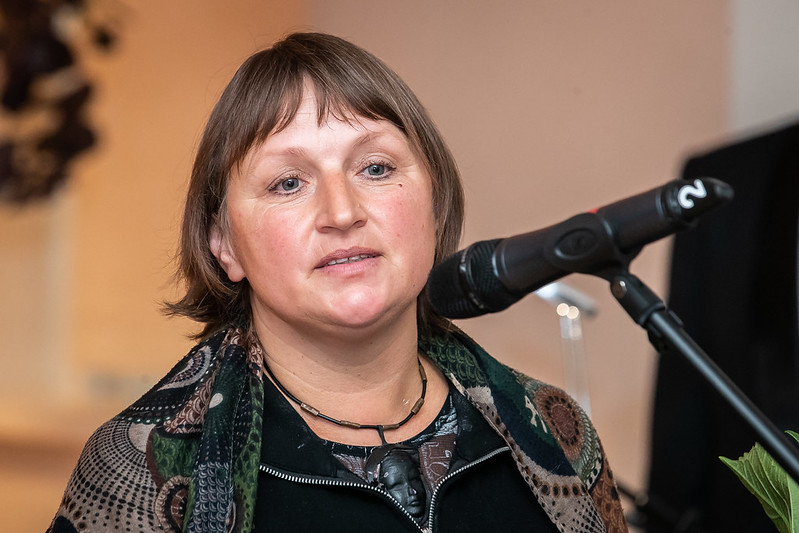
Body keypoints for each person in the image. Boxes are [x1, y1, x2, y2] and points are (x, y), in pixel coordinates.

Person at [48, 32, 628, 532]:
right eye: (288, 183)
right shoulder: (137, 469)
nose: (342, 212)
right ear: (223, 243)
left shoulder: (556, 432)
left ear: (434, 205)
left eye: (375, 168)